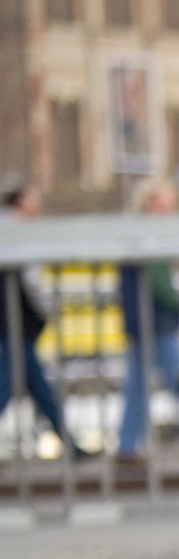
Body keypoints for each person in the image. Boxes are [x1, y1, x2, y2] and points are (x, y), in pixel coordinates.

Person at [0, 182, 80, 454]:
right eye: (34, 199)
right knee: (9, 383)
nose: (38, 204)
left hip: (13, 321)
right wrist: (48, 308)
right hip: (16, 321)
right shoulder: (16, 230)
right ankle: (70, 443)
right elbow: (32, 280)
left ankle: (69, 443)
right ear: (21, 201)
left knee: (35, 384)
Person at [117, 184, 179, 458]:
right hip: (156, 321)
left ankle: (127, 445)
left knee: (137, 386)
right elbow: (160, 283)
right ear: (152, 204)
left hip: (140, 321)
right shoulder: (148, 233)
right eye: (167, 204)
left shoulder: (133, 232)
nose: (171, 210)